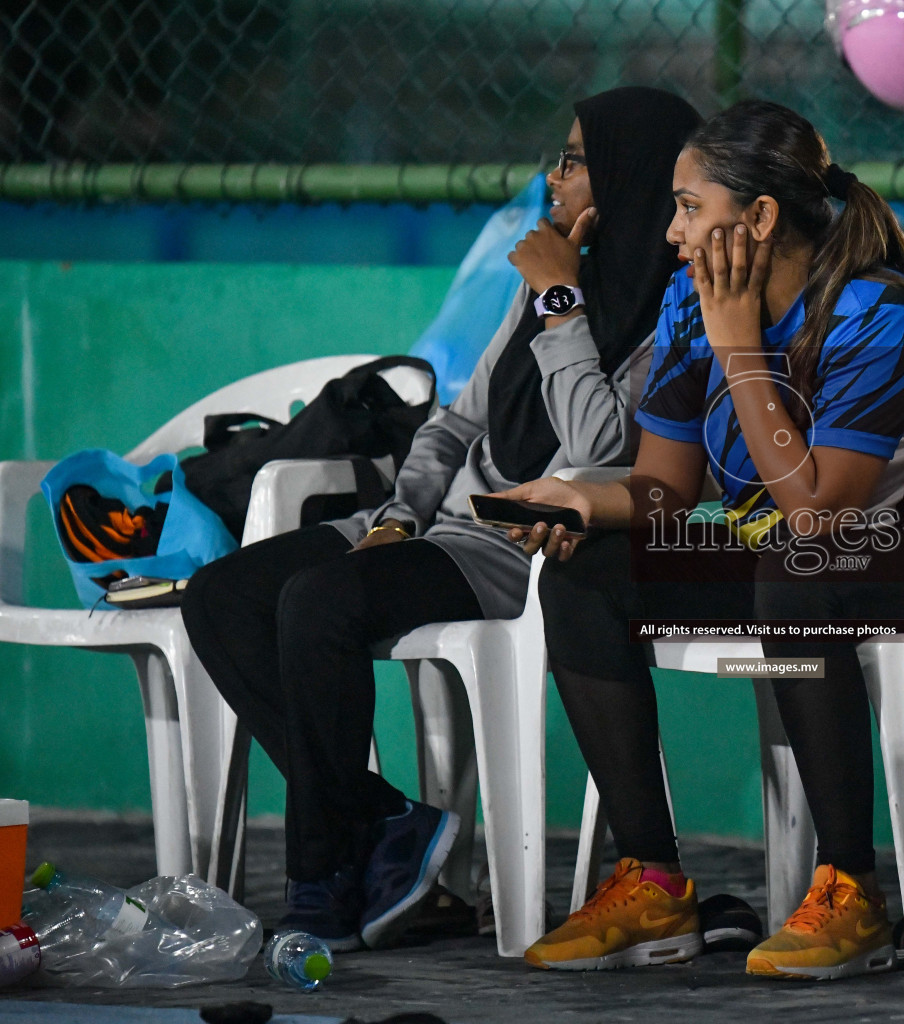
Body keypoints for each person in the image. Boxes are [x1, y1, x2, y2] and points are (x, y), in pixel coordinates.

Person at [180, 87, 702, 952]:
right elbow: (457, 422)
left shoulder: (671, 314)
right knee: (221, 597)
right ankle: (386, 824)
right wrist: (396, 513)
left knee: (319, 604)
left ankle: (320, 880)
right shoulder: (548, 279)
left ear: (626, 178)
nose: (554, 176)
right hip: (435, 526)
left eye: (574, 161)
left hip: (516, 546)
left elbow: (596, 448)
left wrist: (561, 306)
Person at [496, 99, 904, 979]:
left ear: (761, 217)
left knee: (794, 571)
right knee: (586, 579)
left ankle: (853, 892)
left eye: (691, 207)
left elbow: (819, 515)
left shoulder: (879, 316)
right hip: (786, 549)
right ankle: (652, 880)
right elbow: (666, 489)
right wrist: (578, 503)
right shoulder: (696, 310)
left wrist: (741, 350)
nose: (672, 233)